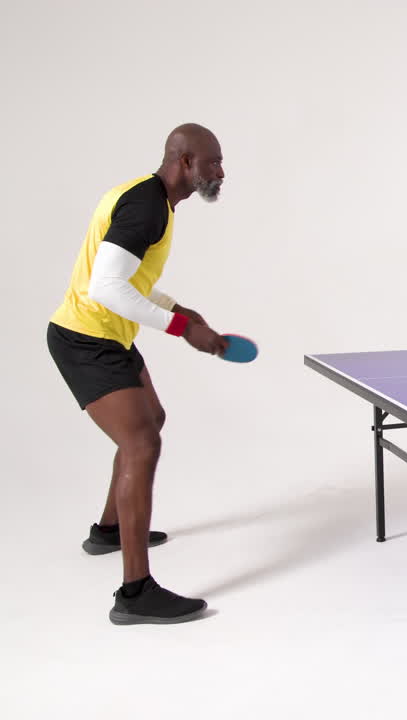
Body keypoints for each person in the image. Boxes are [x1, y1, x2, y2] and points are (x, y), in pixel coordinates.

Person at [47, 123, 230, 625]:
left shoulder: (154, 202)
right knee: (142, 444)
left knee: (153, 418)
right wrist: (179, 328)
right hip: (85, 339)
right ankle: (134, 593)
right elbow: (106, 288)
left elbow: (126, 281)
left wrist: (180, 309)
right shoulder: (146, 205)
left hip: (110, 335)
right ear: (185, 161)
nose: (221, 171)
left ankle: (108, 530)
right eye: (213, 162)